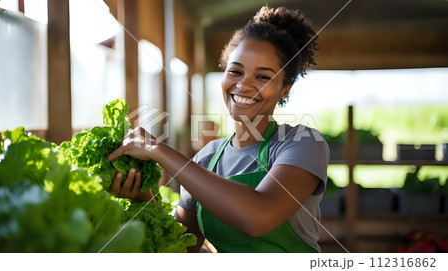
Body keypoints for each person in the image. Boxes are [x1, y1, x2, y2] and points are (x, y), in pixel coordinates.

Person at [108, 5, 329, 253]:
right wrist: (141, 196)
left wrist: (158, 150)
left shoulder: (303, 143)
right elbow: (181, 246)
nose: (244, 85)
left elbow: (257, 216)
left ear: (284, 90)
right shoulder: (207, 159)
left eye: (263, 77)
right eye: (235, 71)